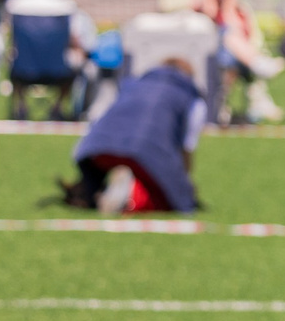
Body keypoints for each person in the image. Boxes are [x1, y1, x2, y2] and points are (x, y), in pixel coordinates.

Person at [67, 57, 210, 212]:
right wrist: (183, 186)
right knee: (168, 200)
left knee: (115, 166)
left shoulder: (131, 84)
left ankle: (95, 191)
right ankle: (130, 195)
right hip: (141, 153)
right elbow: (186, 147)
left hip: (94, 151)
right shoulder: (191, 98)